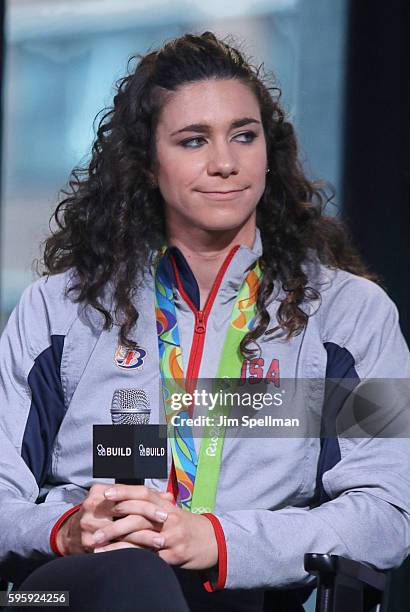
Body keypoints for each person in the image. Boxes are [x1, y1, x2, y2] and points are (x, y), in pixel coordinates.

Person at [0, 31, 409, 612]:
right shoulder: (56, 309)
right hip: (65, 589)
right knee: (125, 580)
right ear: (146, 165)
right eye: (194, 141)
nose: (225, 163)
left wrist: (216, 539)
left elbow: (387, 514)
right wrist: (65, 531)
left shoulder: (351, 315)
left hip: (246, 589)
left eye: (244, 135)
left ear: (271, 151)